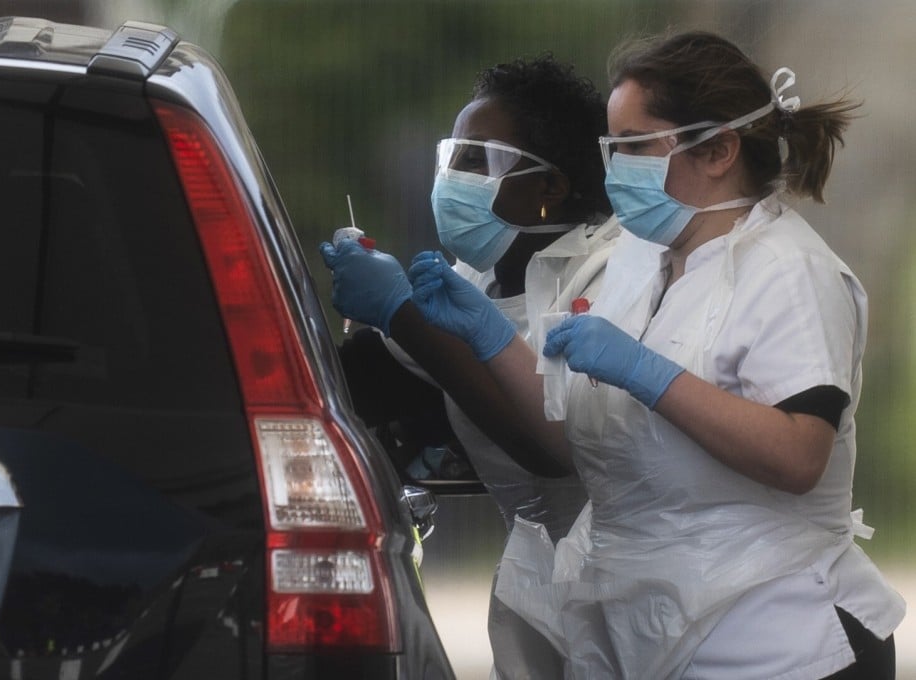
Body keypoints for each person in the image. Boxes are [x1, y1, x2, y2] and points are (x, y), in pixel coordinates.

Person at [404, 30, 905, 679]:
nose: (615, 169)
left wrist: (649, 374)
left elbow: (798, 455)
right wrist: (487, 336)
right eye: (612, 147)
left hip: (781, 641)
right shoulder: (639, 260)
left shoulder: (791, 271)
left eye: (637, 147)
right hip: (655, 636)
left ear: (720, 149)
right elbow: (565, 445)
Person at [321, 55, 618, 679]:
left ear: (550, 187)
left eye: (477, 162)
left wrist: (402, 315)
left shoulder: (609, 279)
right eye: (452, 156)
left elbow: (551, 445)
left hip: (626, 588)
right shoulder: (475, 278)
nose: (451, 179)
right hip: (539, 588)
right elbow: (365, 379)